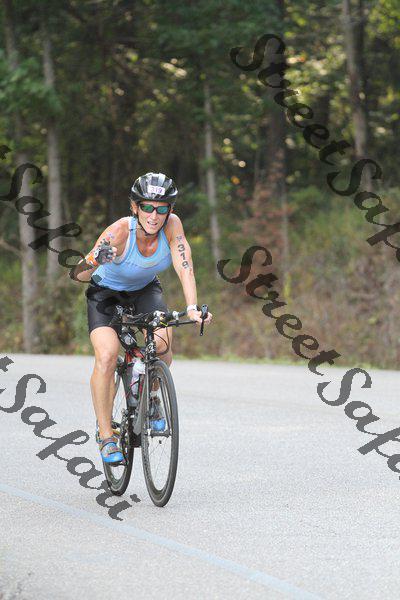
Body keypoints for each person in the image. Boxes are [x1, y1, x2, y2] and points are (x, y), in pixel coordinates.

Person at [70, 172, 212, 465]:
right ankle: (106, 435)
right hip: (105, 295)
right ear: (135, 207)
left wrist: (192, 307)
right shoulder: (119, 232)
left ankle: (152, 397)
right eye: (147, 207)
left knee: (163, 343)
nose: (154, 215)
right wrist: (95, 259)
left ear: (170, 210)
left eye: (162, 209)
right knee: (108, 356)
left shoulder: (172, 226)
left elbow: (185, 265)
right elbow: (77, 275)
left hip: (145, 290)